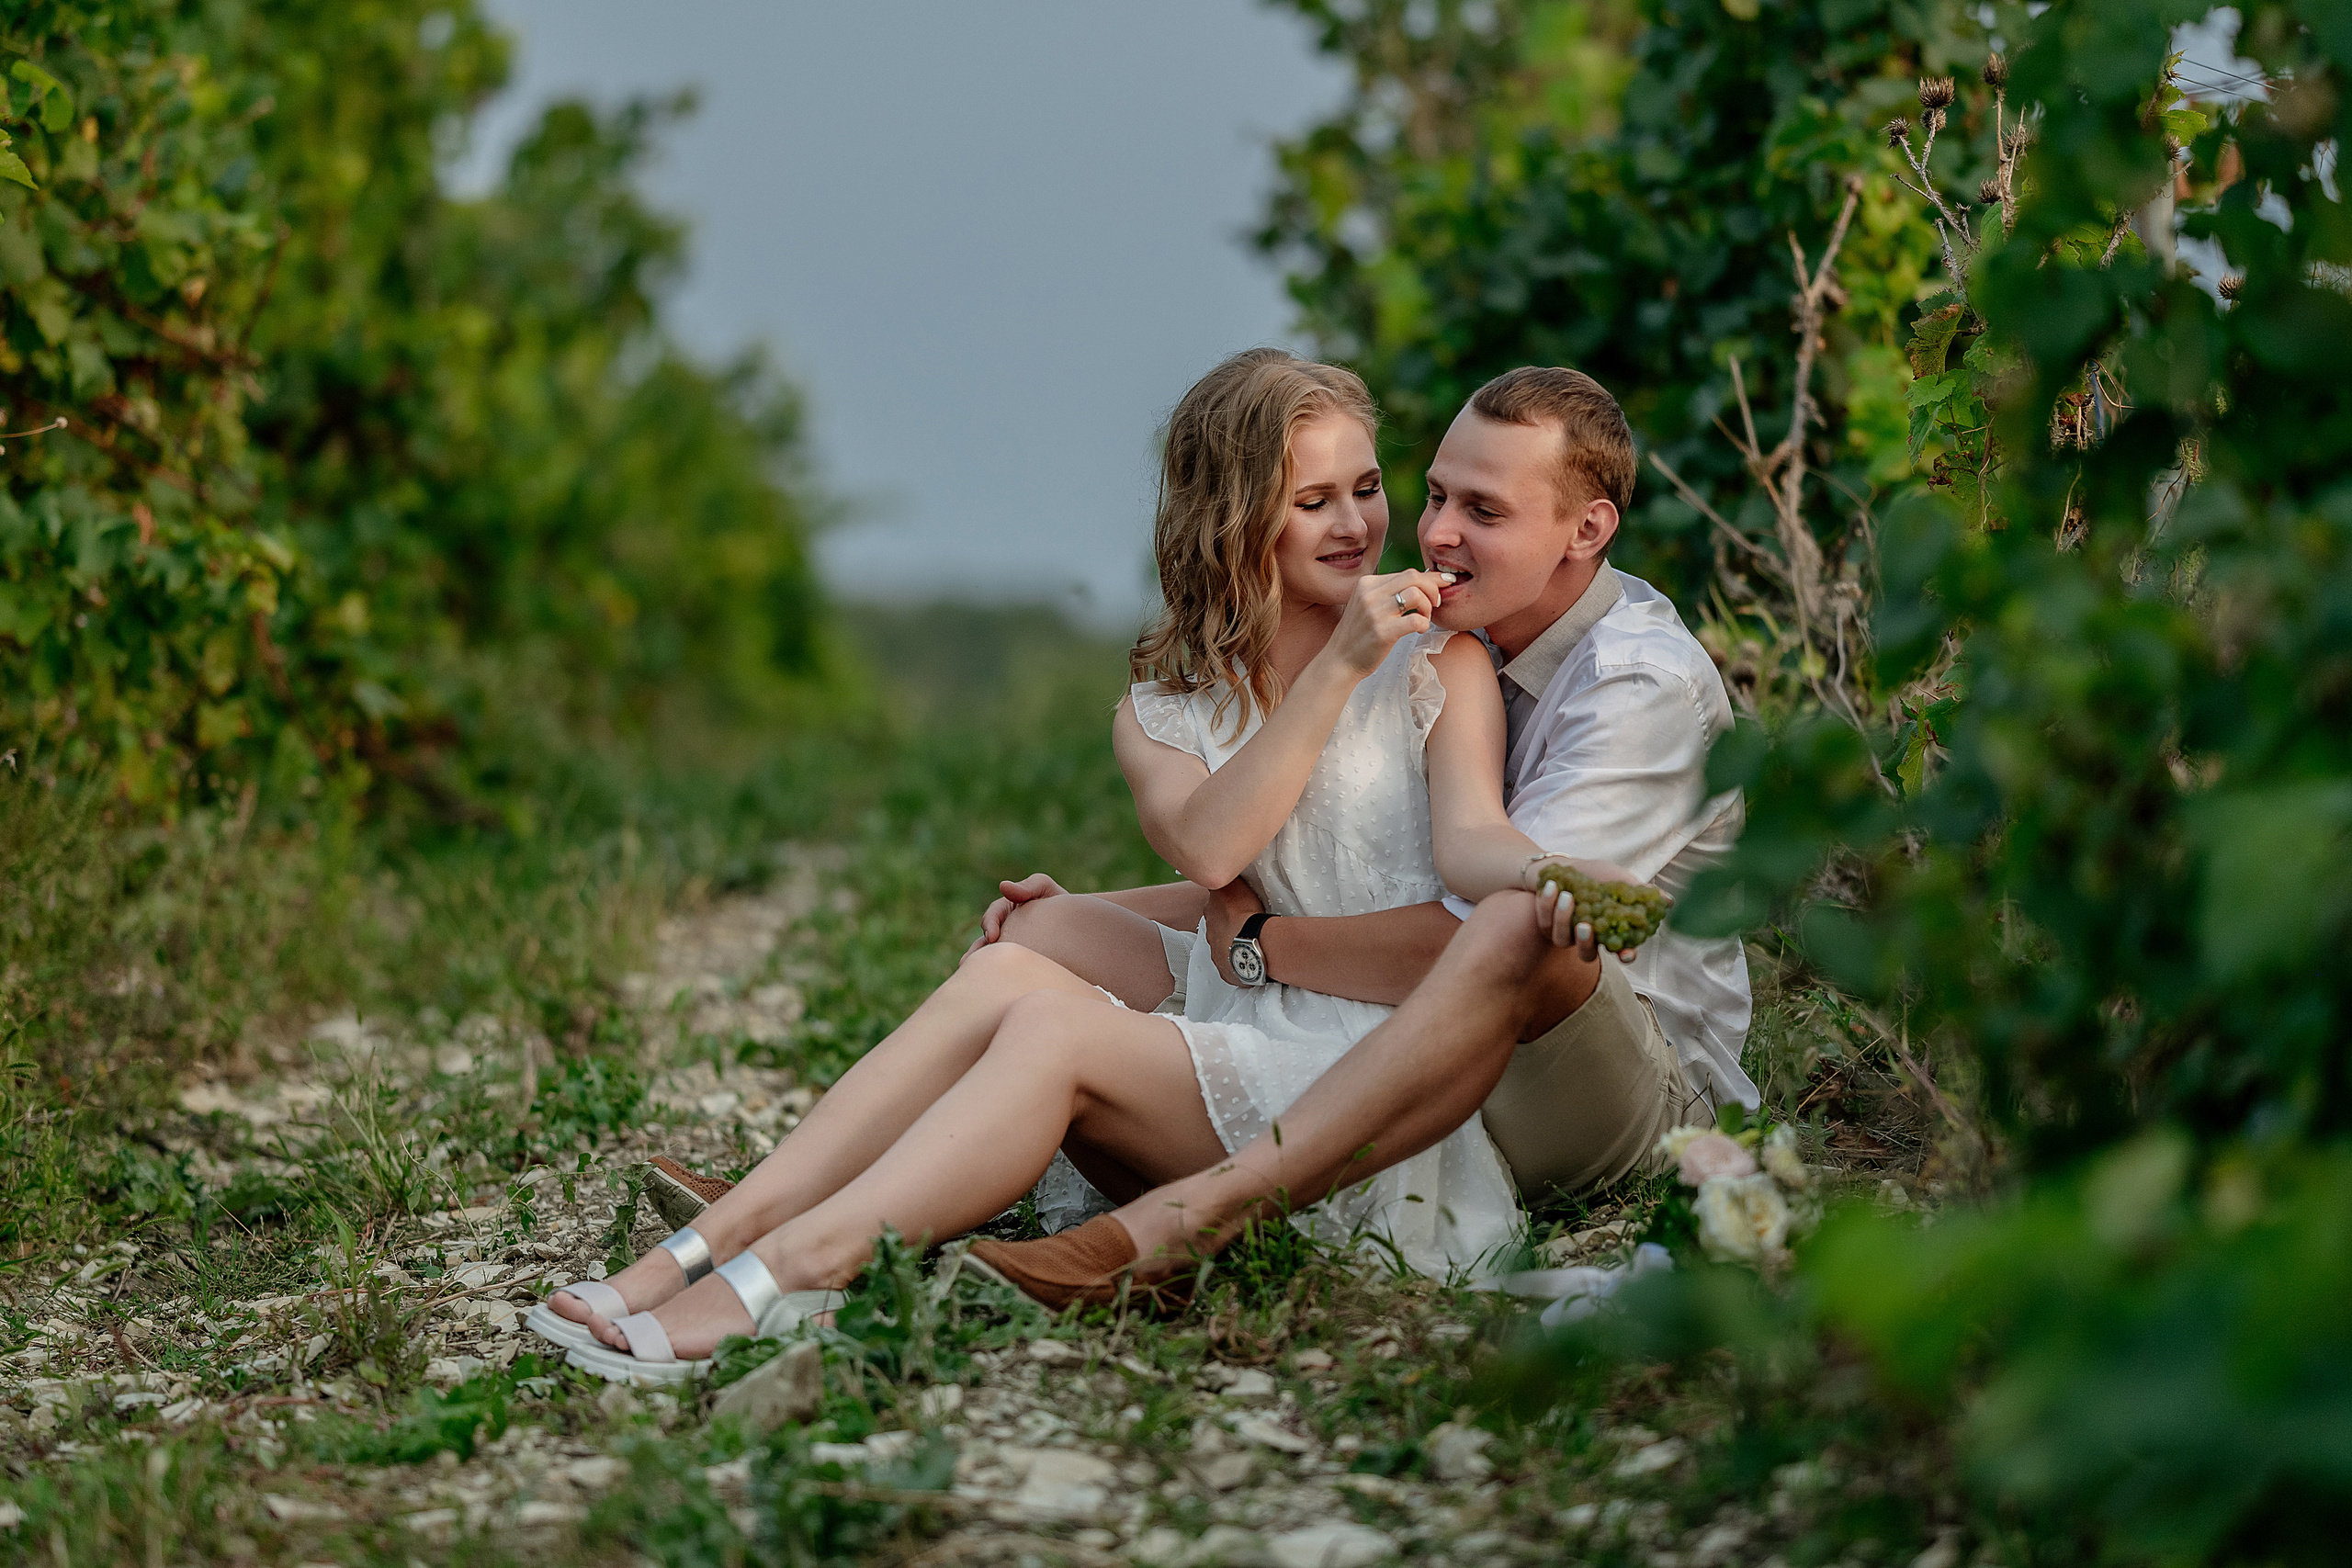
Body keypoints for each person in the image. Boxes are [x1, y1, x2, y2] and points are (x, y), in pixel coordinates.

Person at [526, 350, 1601, 1382]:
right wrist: (1332, 673)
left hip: (1377, 1092)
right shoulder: (1163, 714)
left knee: (1049, 1020)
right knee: (1004, 971)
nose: (1359, 523)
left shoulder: (1437, 662)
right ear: (1234, 517)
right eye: (1313, 499)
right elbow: (1216, 847)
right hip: (1250, 1044)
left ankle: (790, 1271)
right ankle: (704, 1246)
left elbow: (1468, 842)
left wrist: (1555, 873)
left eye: (1367, 487)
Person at [961, 367, 1754, 1305]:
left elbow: (1467, 937)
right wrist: (1095, 920)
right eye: (1435, 495)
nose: (1436, 535)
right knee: (1038, 939)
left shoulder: (1635, 690)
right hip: (1454, 1039)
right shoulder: (1469, 635)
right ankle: (876, 1191)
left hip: (1616, 1084)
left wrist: (1261, 946)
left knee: (1513, 921)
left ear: (1585, 531)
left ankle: (1202, 1215)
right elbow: (1342, 873)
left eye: (1484, 513)